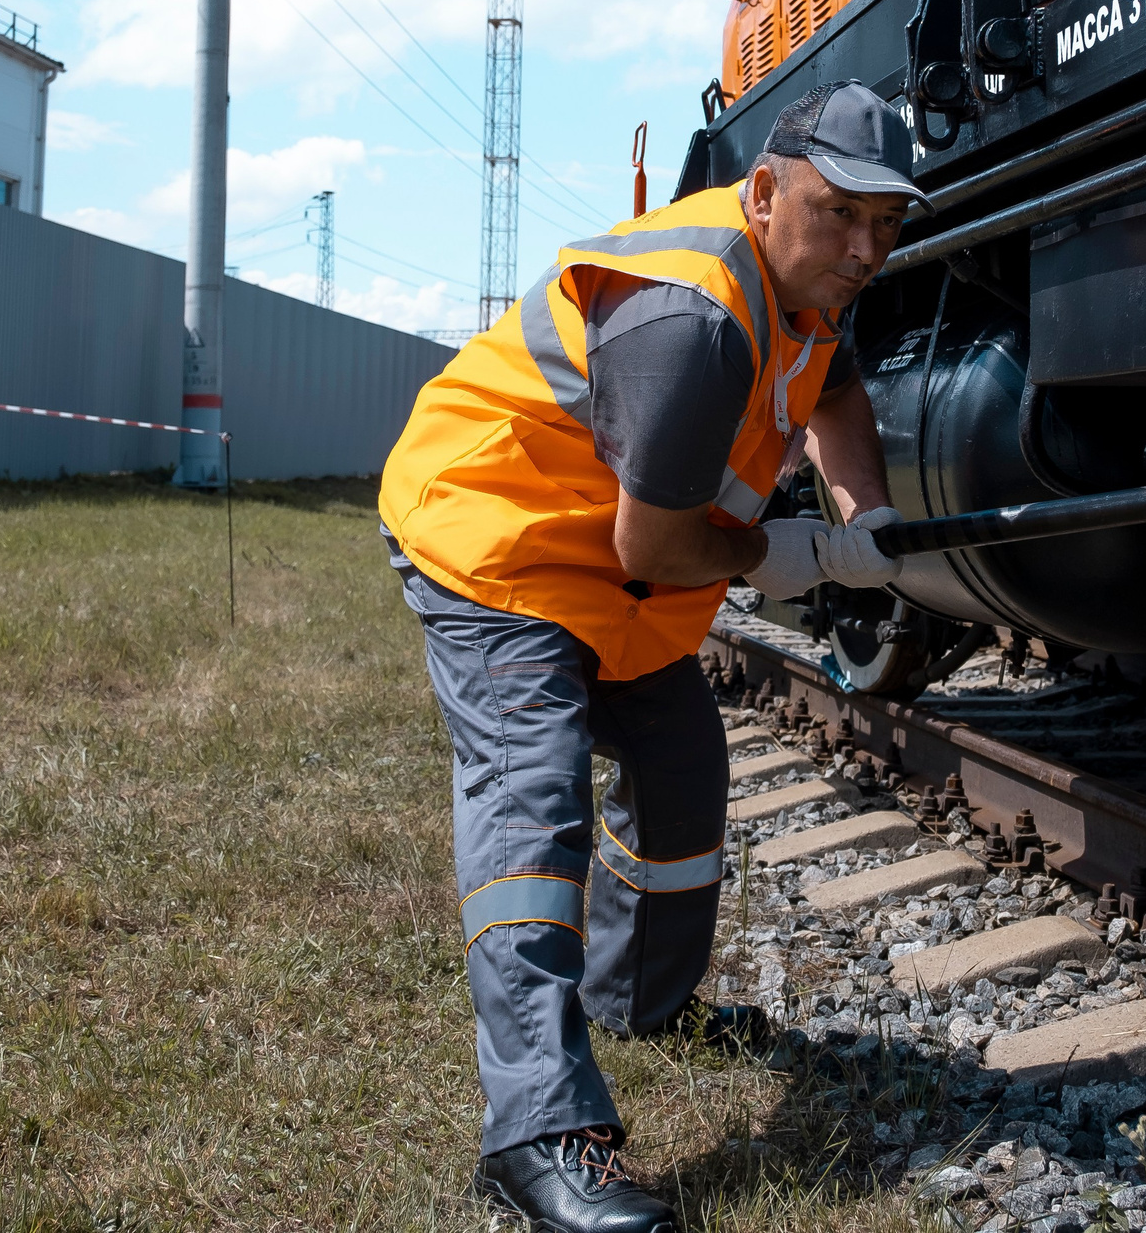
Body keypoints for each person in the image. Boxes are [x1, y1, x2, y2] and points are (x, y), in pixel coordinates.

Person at [378, 81, 924, 1233]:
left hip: (605, 564)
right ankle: (536, 1132)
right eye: (841, 216)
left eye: (888, 224)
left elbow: (835, 385)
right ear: (765, 192)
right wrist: (790, 552)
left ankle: (639, 1002)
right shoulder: (693, 316)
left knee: (682, 777)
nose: (867, 248)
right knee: (535, 800)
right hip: (500, 538)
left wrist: (861, 512)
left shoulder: (807, 281)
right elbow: (662, 541)